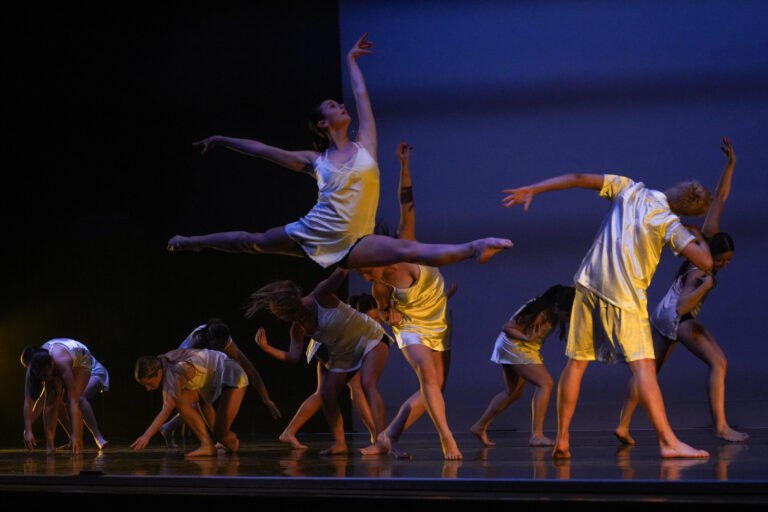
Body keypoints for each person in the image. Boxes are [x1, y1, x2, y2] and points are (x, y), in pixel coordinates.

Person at [167, 34, 511, 268]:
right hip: (312, 230)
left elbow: (362, 96)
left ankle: (475, 246)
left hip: (356, 240)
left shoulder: (367, 145)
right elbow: (264, 151)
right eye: (333, 105)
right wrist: (224, 140)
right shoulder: (316, 161)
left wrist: (351, 59)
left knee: (407, 250)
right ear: (322, 123)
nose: (341, 106)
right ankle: (190, 242)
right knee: (250, 241)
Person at [503, 169, 713, 459]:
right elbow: (705, 261)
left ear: (675, 188)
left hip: (588, 285)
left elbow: (577, 177)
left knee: (575, 365)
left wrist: (534, 188)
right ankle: (667, 442)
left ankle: (562, 439)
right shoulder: (669, 221)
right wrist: (695, 233)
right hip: (625, 296)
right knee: (644, 369)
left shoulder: (629, 188)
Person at [615, 138, 748, 444]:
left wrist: (730, 166)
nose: (722, 265)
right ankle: (721, 427)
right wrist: (706, 286)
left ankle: (622, 425)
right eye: (721, 261)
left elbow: (720, 198)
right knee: (719, 362)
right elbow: (681, 309)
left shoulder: (706, 238)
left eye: (727, 262)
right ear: (711, 255)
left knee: (649, 370)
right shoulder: (702, 269)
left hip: (662, 312)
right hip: (677, 315)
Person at [356, 142, 462, 460]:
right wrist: (393, 319)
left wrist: (404, 164)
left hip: (439, 317)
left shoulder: (406, 243)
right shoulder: (379, 285)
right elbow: (384, 316)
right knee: (428, 377)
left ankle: (389, 435)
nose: (365, 276)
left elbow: (406, 202)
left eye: (365, 268)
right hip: (412, 327)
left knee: (437, 386)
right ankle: (447, 439)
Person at [250, 268, 390, 455]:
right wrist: (267, 348)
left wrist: (352, 250)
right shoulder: (297, 328)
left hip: (369, 337)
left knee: (367, 383)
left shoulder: (321, 295)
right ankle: (340, 443)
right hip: (344, 353)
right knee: (327, 394)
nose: (280, 319)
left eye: (282, 315)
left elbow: (341, 271)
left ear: (292, 309)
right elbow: (293, 357)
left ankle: (381, 441)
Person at [268, 293, 380, 450]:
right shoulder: (347, 316)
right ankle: (376, 435)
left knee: (321, 393)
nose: (375, 321)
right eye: (372, 318)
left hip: (329, 345)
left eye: (377, 318)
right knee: (354, 385)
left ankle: (289, 432)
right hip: (325, 347)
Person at [470, 284, 575, 447]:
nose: (569, 318)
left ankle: (479, 426)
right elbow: (507, 328)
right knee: (545, 384)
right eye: (567, 314)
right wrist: (528, 339)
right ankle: (537, 435)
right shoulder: (539, 313)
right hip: (515, 346)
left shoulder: (559, 298)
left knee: (513, 392)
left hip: (524, 347)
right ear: (556, 307)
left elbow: (573, 286)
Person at [158, 319, 281, 447]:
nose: (219, 351)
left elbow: (251, 371)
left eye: (222, 348)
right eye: (216, 348)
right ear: (209, 341)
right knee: (203, 400)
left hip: (203, 366)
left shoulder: (226, 341)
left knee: (205, 399)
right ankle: (215, 440)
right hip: (184, 369)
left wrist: (267, 399)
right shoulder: (196, 345)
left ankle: (168, 427)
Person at [132, 348, 248, 457]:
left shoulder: (177, 372)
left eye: (149, 384)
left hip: (233, 377)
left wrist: (146, 436)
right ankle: (208, 444)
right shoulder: (165, 361)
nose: (147, 388)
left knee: (226, 439)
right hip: (213, 381)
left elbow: (166, 409)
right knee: (193, 400)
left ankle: (222, 441)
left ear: (159, 373)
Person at [22, 339, 109, 454]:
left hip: (81, 359)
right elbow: (29, 401)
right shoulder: (32, 369)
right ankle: (50, 445)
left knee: (71, 399)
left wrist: (75, 435)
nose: (44, 379)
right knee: (51, 398)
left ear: (51, 366)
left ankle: (79, 440)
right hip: (59, 356)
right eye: (40, 377)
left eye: (45, 375)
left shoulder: (62, 363)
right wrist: (28, 430)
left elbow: (73, 402)